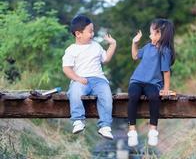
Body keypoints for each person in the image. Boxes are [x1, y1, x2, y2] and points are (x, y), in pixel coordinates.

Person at [62, 15, 116, 139]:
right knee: (74, 92)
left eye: (93, 31)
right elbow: (66, 68)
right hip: (81, 79)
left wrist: (112, 44)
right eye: (90, 31)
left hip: (99, 79)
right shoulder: (71, 50)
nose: (93, 34)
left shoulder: (96, 46)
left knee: (107, 96)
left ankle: (105, 126)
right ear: (78, 34)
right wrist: (77, 78)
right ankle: (78, 120)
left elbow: (106, 59)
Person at [127, 18, 176, 147]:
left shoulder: (164, 51)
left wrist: (166, 88)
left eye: (152, 33)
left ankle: (153, 130)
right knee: (133, 96)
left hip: (153, 83)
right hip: (137, 80)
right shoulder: (148, 46)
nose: (149, 36)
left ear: (160, 34)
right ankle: (132, 130)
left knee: (154, 97)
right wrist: (134, 43)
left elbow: (166, 71)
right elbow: (135, 55)